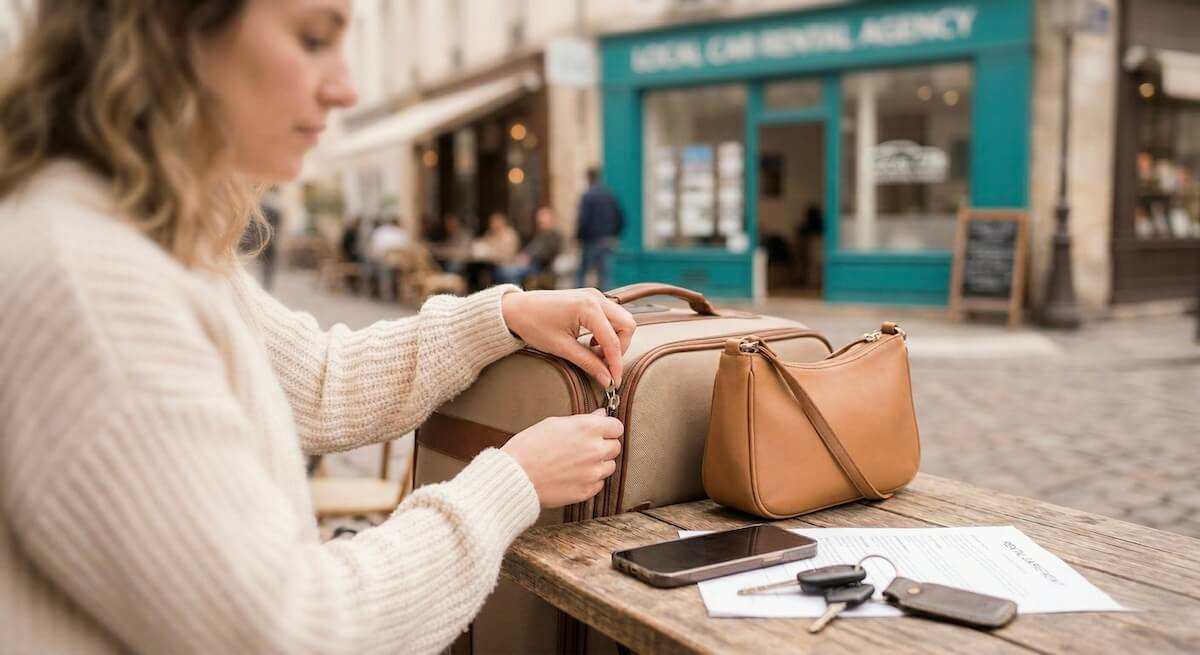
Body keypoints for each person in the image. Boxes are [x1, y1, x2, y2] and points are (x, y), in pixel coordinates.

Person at [0, 3, 637, 654]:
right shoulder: (93, 282)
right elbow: (295, 628)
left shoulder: (138, 233)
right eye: (312, 40)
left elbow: (316, 379)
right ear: (170, 34)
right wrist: (512, 480)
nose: (346, 88)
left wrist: (502, 316)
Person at [575, 167, 624, 290]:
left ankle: (579, 301)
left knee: (583, 273)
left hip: (591, 240)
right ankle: (609, 302)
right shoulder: (610, 195)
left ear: (588, 177)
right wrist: (614, 235)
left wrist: (579, 237)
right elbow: (620, 218)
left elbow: (583, 220)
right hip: (608, 239)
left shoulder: (588, 195)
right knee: (606, 275)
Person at [496, 207, 562, 286]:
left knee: (506, 273)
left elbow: (546, 253)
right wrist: (523, 255)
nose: (540, 222)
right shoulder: (540, 235)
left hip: (539, 267)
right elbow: (531, 248)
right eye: (539, 220)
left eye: (543, 219)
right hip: (529, 264)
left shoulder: (554, 236)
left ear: (551, 219)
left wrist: (529, 257)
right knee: (500, 270)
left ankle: (516, 292)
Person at [365, 215, 410, 300]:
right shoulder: (403, 233)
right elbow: (407, 248)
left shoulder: (381, 232)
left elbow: (374, 249)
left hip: (386, 261)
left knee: (371, 264)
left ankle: (379, 289)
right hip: (401, 262)